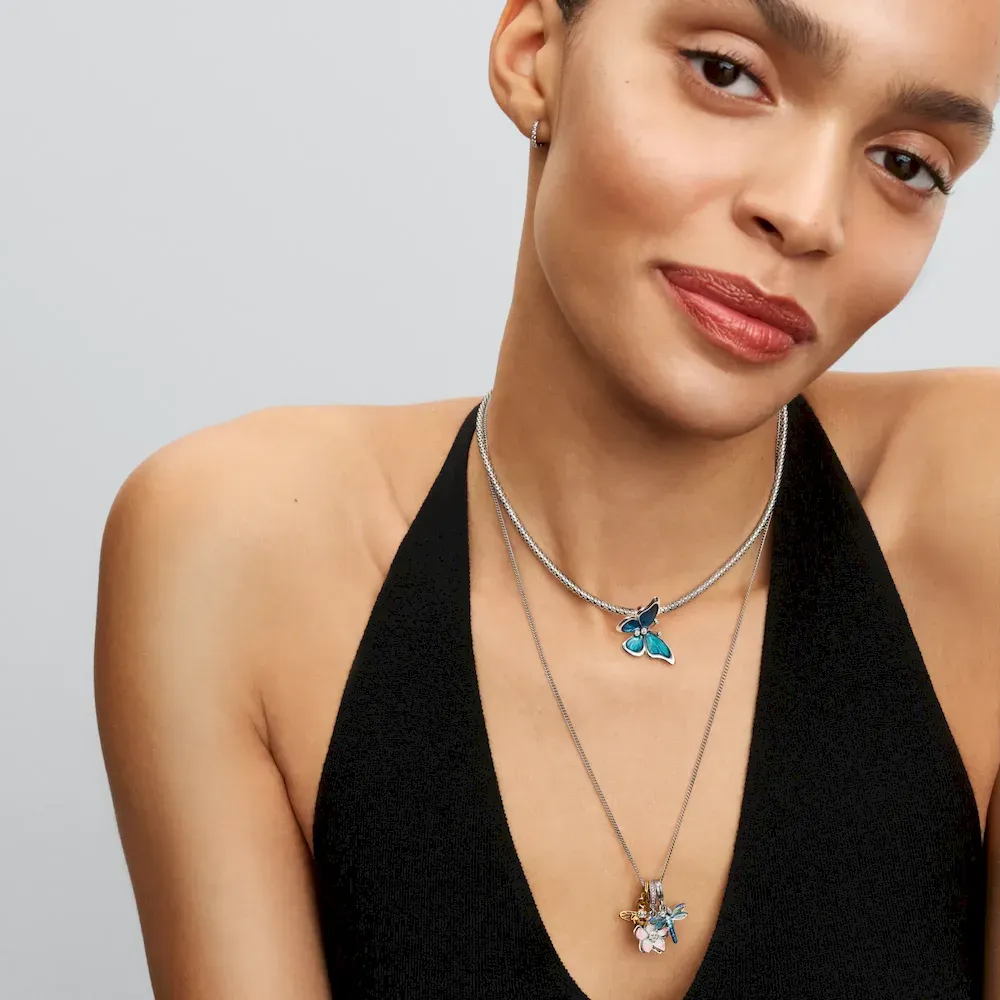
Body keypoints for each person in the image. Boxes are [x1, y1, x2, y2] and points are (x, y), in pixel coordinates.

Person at [94, 0, 1000, 996]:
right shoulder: (244, 550)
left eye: (907, 162)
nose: (809, 213)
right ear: (533, 54)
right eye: (726, 72)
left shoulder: (974, 503)